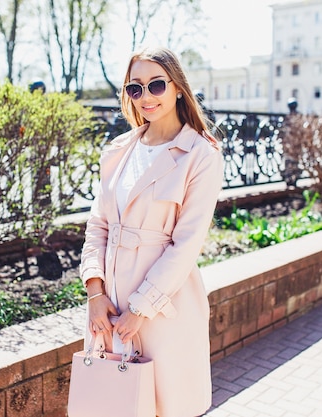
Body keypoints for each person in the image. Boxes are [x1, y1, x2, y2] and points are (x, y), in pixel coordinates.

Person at [78, 46, 223, 417]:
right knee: (114, 406)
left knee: (166, 406)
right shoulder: (118, 151)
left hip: (165, 307)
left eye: (156, 85)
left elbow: (186, 245)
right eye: (135, 88)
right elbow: (98, 224)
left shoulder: (201, 155)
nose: (146, 97)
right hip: (108, 306)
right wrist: (94, 292)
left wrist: (141, 308)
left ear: (177, 87)